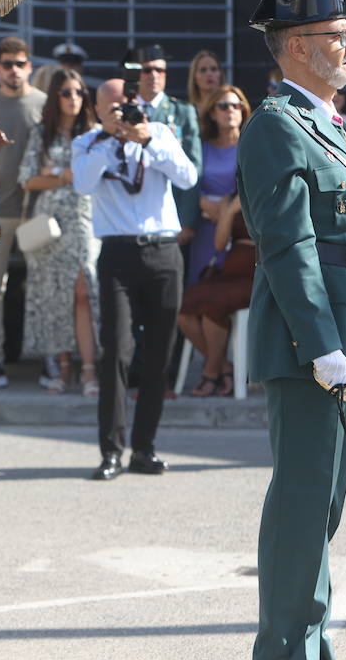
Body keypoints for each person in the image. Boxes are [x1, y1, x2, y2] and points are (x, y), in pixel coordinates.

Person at [238, 0, 346, 660]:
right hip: (311, 337)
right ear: (297, 45)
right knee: (300, 496)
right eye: (338, 36)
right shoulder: (275, 127)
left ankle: (312, 648)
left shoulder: (338, 128)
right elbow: (288, 243)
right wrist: (320, 343)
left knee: (324, 501)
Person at [72, 77, 197, 481]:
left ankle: (145, 448)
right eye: (110, 109)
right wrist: (112, 138)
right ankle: (111, 450)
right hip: (118, 254)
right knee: (117, 353)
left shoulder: (157, 132)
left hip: (162, 250)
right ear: (96, 111)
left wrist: (145, 140)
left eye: (124, 105)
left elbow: (187, 177)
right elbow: (82, 183)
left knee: (158, 356)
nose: (120, 113)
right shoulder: (88, 143)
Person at [18, 68, 101, 396]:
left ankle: (90, 368)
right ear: (55, 97)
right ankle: (64, 367)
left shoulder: (93, 133)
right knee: (56, 296)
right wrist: (66, 176)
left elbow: (95, 176)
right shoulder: (43, 134)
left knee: (84, 290)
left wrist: (53, 172)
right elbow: (27, 179)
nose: (74, 99)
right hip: (50, 223)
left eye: (79, 92)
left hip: (84, 220)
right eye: (66, 93)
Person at [0, 37, 46, 390]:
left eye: (19, 63)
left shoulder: (46, 104)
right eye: (7, 64)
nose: (14, 69)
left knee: (43, 286)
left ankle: (50, 357)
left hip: (37, 211)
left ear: (29, 66)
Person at [178, 84, 252, 396]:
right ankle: (224, 368)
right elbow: (187, 183)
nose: (229, 111)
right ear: (211, 112)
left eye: (235, 105)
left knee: (211, 305)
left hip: (248, 246)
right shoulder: (201, 146)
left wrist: (230, 209)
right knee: (190, 304)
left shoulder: (253, 147)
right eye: (222, 105)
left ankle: (212, 372)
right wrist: (207, 205)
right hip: (209, 235)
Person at [126, 44, 203, 246]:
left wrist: (186, 221)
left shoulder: (182, 112)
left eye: (160, 70)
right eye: (147, 70)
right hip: (130, 216)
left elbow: (193, 165)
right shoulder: (125, 110)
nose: (154, 75)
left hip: (171, 216)